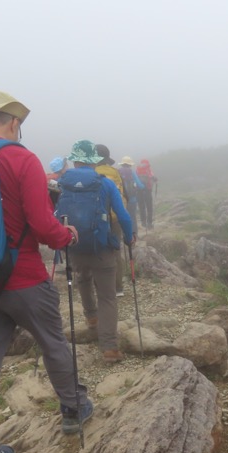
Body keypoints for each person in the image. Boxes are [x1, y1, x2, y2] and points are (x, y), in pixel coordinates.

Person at [0, 91, 93, 453]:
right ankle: (73, 408)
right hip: (23, 279)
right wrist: (65, 234)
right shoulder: (20, 158)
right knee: (52, 342)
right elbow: (43, 226)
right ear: (13, 122)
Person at [61, 140, 134, 363]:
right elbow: (122, 215)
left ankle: (91, 318)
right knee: (108, 296)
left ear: (75, 160)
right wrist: (129, 237)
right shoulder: (105, 183)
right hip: (102, 247)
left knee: (82, 279)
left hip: (74, 245)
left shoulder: (64, 183)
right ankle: (109, 348)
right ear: (94, 161)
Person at [95, 144, 128, 297]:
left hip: (96, 218)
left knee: (98, 251)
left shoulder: (92, 173)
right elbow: (125, 195)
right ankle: (118, 288)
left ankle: (102, 287)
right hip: (115, 217)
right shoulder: (114, 172)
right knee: (115, 252)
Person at [117, 156, 145, 237]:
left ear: (122, 164)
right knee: (132, 217)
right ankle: (134, 235)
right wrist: (143, 186)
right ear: (130, 164)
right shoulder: (132, 172)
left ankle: (124, 235)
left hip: (122, 200)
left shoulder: (118, 172)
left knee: (122, 217)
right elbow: (139, 185)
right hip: (132, 199)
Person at [135, 158, 157, 230]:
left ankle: (143, 222)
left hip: (139, 191)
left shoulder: (137, 170)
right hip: (148, 190)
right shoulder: (148, 170)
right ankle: (149, 223)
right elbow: (153, 178)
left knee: (142, 207)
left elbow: (134, 180)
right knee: (149, 207)